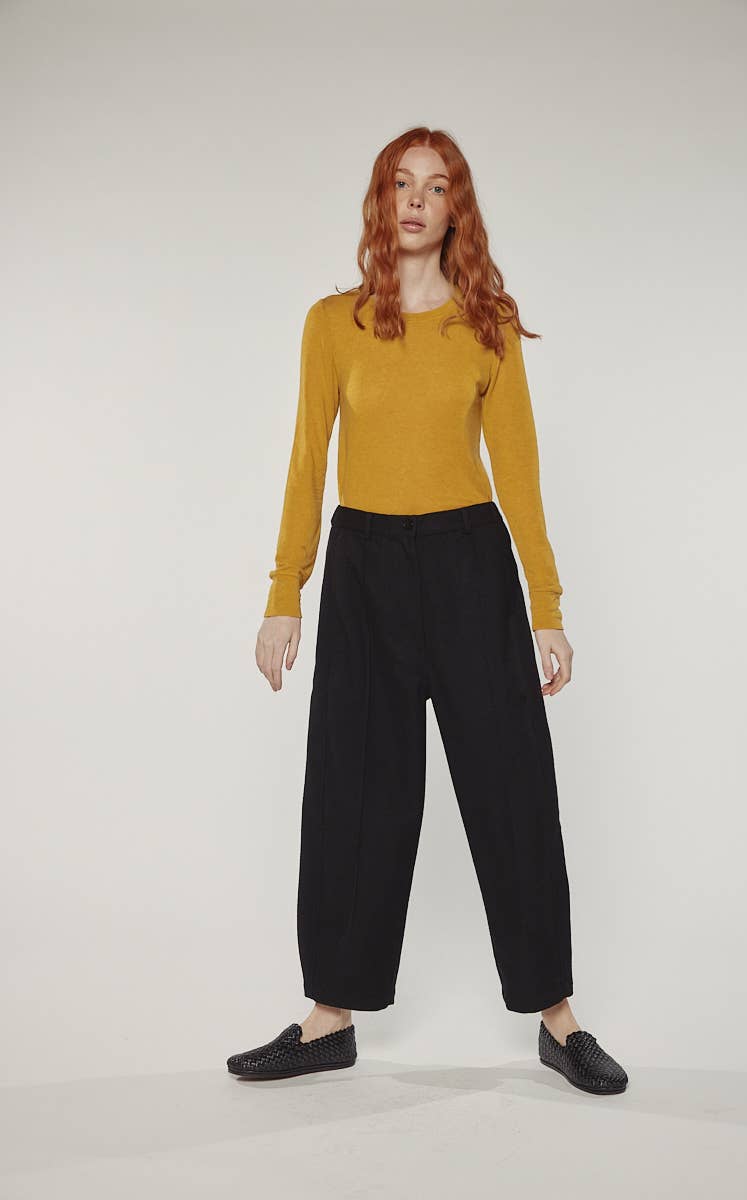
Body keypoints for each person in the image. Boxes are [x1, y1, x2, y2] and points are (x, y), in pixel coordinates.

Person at [227, 128, 629, 1095]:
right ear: (382, 200)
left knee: (510, 783)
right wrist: (285, 594)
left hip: (467, 567)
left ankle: (558, 1019)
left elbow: (518, 473)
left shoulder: (489, 323)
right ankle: (329, 1020)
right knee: (354, 791)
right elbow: (306, 463)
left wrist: (546, 607)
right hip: (364, 568)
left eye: (436, 186)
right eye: (401, 184)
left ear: (456, 209)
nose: (415, 200)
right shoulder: (332, 323)